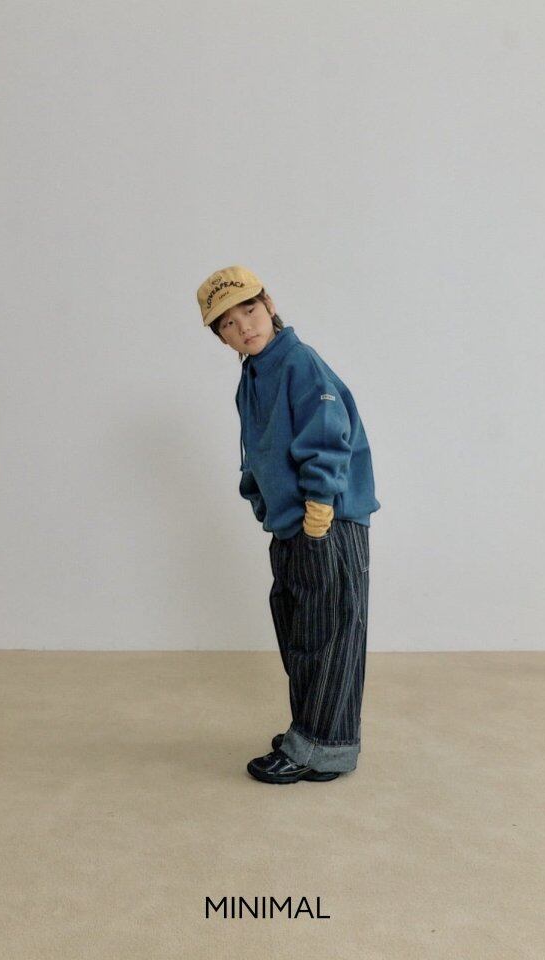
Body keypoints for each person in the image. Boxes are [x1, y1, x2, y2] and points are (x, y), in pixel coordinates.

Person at [196, 265, 380, 784]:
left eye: (250, 310)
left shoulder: (300, 363)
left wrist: (318, 515)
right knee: (300, 631)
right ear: (220, 336)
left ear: (269, 304)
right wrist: (263, 504)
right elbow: (256, 452)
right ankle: (316, 737)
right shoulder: (253, 378)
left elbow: (328, 436)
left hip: (327, 521)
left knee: (330, 634)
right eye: (228, 323)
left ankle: (319, 746)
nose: (244, 327)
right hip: (290, 524)